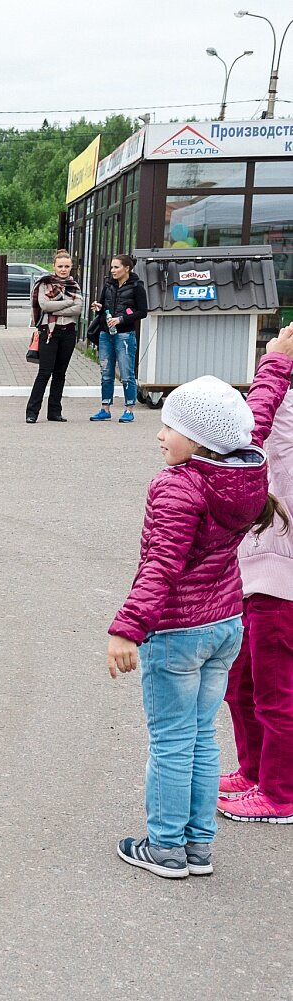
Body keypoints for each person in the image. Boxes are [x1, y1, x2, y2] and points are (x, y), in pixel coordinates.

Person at [106, 326, 293, 879]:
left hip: (178, 632)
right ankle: (198, 846)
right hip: (225, 625)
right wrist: (276, 362)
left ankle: (164, 847)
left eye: (173, 427)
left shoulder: (179, 487)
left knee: (169, 738)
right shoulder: (247, 467)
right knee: (201, 734)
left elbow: (160, 565)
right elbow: (253, 414)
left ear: (202, 440)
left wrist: (127, 628)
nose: (161, 434)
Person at [222, 333, 293, 824]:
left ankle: (280, 792)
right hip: (256, 567)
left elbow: (251, 434)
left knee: (275, 692)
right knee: (240, 681)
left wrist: (274, 362)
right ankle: (254, 771)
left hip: (281, 577)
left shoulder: (282, 410)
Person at [25, 250, 84, 424]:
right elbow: (44, 305)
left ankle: (54, 412)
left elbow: (78, 309)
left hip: (68, 332)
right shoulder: (45, 283)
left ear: (71, 267)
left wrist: (55, 307)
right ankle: (32, 412)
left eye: (67, 266)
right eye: (60, 266)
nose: (63, 269)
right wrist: (67, 303)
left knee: (60, 374)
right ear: (54, 267)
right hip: (49, 332)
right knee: (44, 372)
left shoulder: (74, 285)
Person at [90, 253, 149, 424]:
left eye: (116, 267)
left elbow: (142, 312)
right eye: (112, 267)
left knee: (126, 373)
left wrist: (121, 319)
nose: (112, 270)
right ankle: (105, 408)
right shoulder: (108, 284)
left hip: (124, 335)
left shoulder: (137, 286)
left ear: (127, 268)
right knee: (106, 373)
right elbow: (101, 306)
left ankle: (129, 409)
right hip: (105, 333)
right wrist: (98, 307)